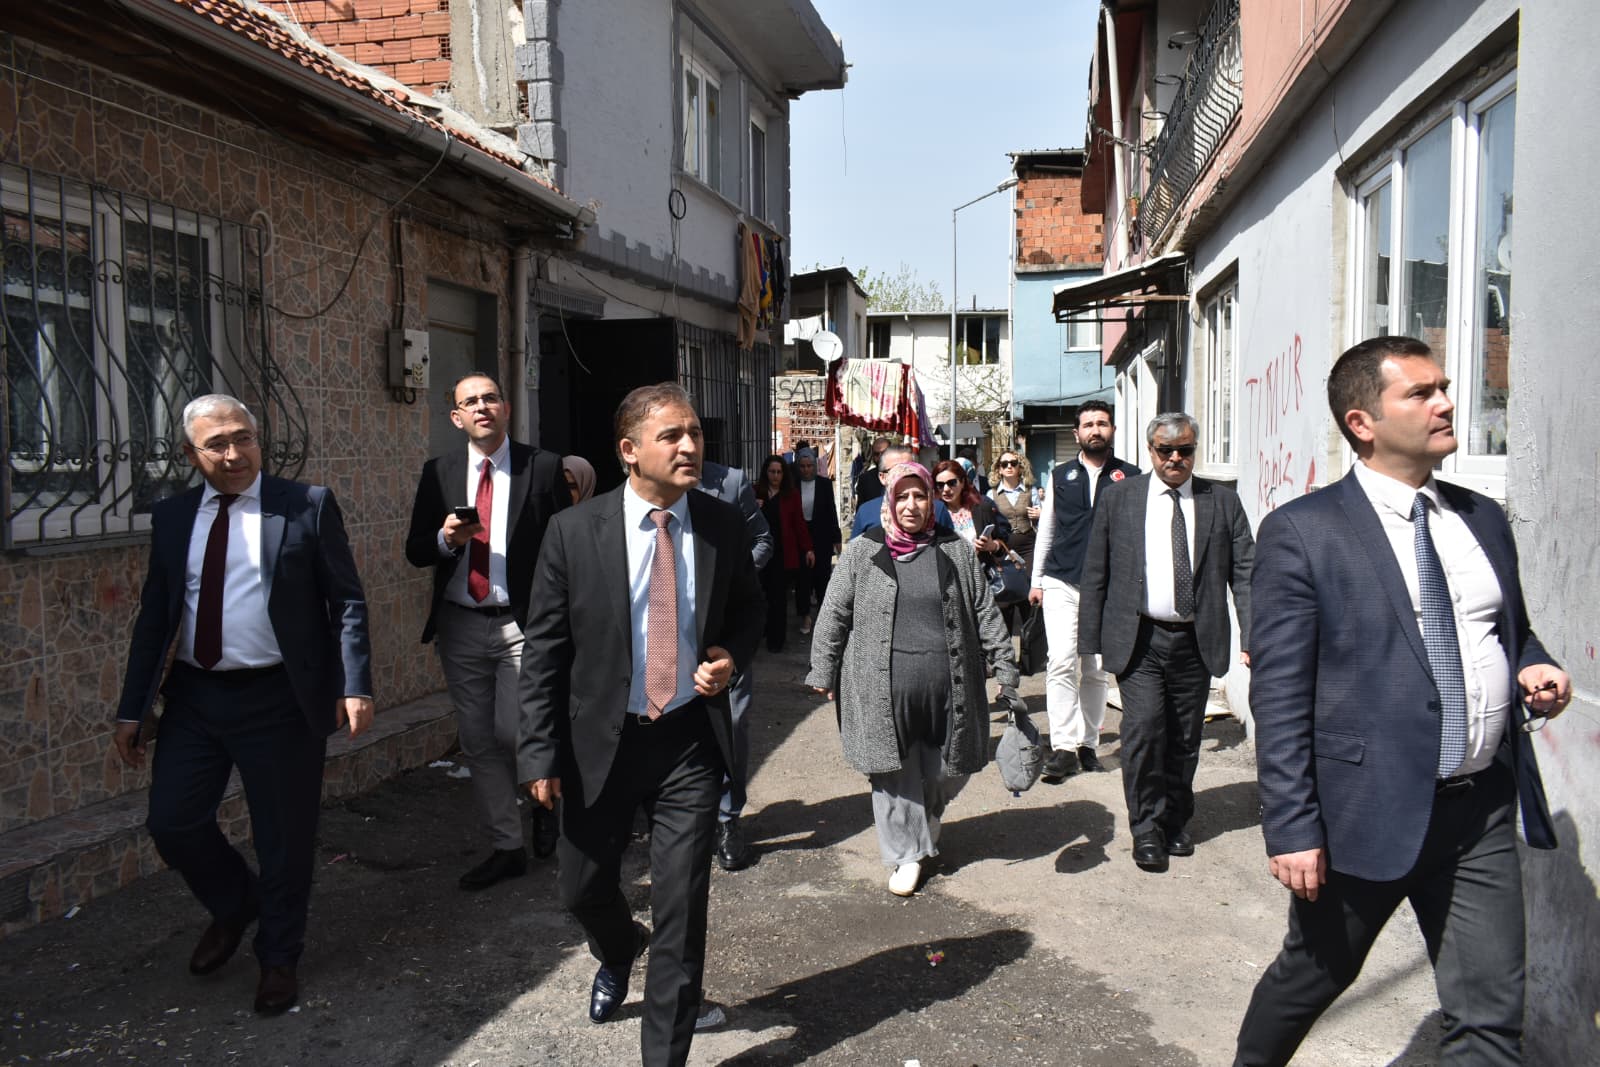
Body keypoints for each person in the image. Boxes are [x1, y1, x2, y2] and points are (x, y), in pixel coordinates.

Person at [1234, 337, 1571, 1067]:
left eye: (1443, 386)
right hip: (1364, 809)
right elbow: (1280, 694)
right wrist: (1291, 825)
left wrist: (1533, 664)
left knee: (1488, 1019)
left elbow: (1505, 629)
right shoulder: (1305, 531)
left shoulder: (1482, 518)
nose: (1447, 403)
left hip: (1479, 808)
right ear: (1363, 422)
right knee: (1311, 977)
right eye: (1421, 393)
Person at [516, 383, 764, 1067]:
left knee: (682, 910)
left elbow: (750, 608)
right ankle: (620, 946)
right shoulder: (574, 532)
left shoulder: (720, 524)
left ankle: (665, 1055)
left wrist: (728, 656)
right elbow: (544, 651)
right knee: (581, 888)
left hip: (688, 741)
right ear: (629, 450)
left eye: (695, 433)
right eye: (671, 435)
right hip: (600, 742)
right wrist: (538, 753)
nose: (690, 446)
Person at [112, 394, 373, 1016]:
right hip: (196, 697)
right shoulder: (173, 517)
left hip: (280, 697)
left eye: (243, 438)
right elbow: (155, 618)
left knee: (284, 837)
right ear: (190, 454)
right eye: (217, 444)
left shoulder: (306, 505)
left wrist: (355, 683)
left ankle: (278, 955)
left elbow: (347, 601)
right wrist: (131, 708)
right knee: (172, 822)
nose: (234, 454)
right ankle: (235, 904)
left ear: (258, 439)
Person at [807, 462, 1018, 897]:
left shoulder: (955, 551)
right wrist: (823, 667)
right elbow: (834, 612)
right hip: (880, 687)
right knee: (893, 772)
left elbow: (983, 610)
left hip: (949, 685)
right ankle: (905, 853)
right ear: (889, 501)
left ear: (931, 500)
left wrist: (1005, 665)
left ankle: (928, 815)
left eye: (919, 495)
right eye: (902, 496)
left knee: (948, 767)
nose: (911, 505)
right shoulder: (863, 552)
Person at [405, 373, 570, 890]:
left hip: (522, 623)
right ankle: (507, 846)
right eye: (470, 401)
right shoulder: (439, 472)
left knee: (515, 731)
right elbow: (416, 550)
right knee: (477, 739)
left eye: (490, 398)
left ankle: (545, 798)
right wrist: (445, 539)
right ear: (457, 417)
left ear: (505, 409)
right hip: (461, 624)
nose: (482, 407)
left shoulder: (542, 467)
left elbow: (568, 545)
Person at [1077, 413, 1254, 873]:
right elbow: (1095, 572)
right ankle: (1147, 828)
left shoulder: (1223, 502)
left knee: (1185, 737)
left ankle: (1176, 820)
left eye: (1185, 450)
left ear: (1195, 450)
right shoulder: (1120, 499)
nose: (1175, 458)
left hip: (1196, 640)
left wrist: (1255, 635)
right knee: (1144, 732)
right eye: (1165, 450)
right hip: (1140, 639)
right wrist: (1089, 641)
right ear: (1150, 450)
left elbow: (1246, 574)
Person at [1028, 400, 1140, 781]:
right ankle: (1062, 746)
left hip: (1107, 588)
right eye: (1088, 424)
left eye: (1102, 423)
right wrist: (1037, 580)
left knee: (1095, 669)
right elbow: (1047, 528)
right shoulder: (1061, 475)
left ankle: (1087, 744)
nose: (1095, 430)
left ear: (1112, 430)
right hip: (1062, 580)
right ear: (1076, 433)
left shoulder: (1130, 476)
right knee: (1061, 661)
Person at [695, 457, 773, 872]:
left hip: (725, 632)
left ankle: (728, 817)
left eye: (694, 432)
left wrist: (734, 578)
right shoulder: (648, 487)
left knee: (733, 723)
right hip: (668, 629)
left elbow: (762, 540)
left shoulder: (730, 482)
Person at [754, 454, 814, 653]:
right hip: (760, 552)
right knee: (761, 596)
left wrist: (808, 548)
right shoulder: (756, 493)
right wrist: (754, 507)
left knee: (779, 598)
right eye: (772, 472)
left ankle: (776, 641)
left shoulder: (791, 495)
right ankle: (760, 632)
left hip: (782, 553)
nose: (775, 476)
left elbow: (799, 524)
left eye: (779, 472)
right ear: (766, 473)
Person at [850, 442, 955, 538]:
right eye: (896, 470)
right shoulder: (866, 512)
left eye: (909, 469)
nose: (902, 475)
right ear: (882, 477)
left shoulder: (937, 509)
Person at [988, 449, 1039, 635]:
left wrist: (1040, 515)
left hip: (1028, 546)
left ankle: (1030, 646)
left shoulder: (1031, 491)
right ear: (999, 469)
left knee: (1028, 594)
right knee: (1005, 594)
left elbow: (1044, 521)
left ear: (1020, 468)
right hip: (1003, 549)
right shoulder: (991, 494)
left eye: (1013, 463)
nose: (1009, 466)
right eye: (1004, 464)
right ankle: (1005, 645)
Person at [792, 446, 840, 635]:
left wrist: (836, 537)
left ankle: (823, 614)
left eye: (809, 466)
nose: (806, 470)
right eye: (802, 466)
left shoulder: (824, 484)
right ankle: (805, 615)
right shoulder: (793, 484)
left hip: (822, 535)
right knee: (802, 578)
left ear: (815, 466)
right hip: (801, 535)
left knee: (822, 577)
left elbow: (831, 511)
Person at [933, 458, 1011, 565]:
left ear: (962, 482)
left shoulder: (982, 507)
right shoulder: (934, 513)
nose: (946, 489)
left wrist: (992, 546)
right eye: (940, 485)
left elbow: (1002, 540)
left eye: (952, 483)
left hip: (982, 571)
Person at [853, 435, 892, 506]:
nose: (880, 457)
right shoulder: (865, 479)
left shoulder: (902, 476)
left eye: (884, 453)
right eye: (876, 454)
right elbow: (862, 508)